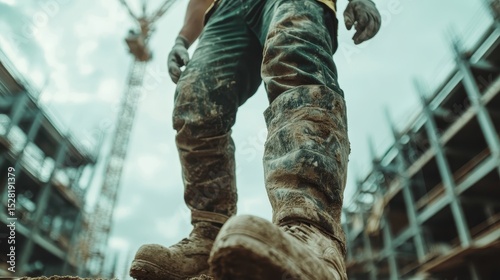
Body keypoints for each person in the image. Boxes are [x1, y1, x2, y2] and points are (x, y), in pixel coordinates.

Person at [130, 0, 380, 279]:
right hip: (226, 8)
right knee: (196, 98)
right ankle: (208, 238)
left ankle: (313, 231)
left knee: (295, 59)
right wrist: (182, 38)